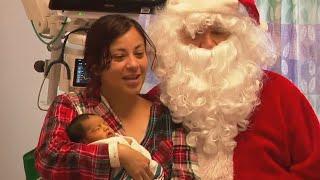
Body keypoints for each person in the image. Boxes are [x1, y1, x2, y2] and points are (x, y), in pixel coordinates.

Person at [148, 0, 320, 179]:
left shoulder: (281, 94)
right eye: (196, 33)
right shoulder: (159, 100)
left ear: (242, 38)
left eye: (218, 31)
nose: (208, 44)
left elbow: (314, 167)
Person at [35, 14, 198, 180]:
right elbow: (49, 159)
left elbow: (186, 174)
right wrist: (117, 153)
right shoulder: (72, 105)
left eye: (139, 53)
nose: (134, 65)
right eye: (120, 57)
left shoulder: (169, 116)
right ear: (95, 66)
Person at [66, 113, 164, 179]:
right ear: (84, 141)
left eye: (105, 124)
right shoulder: (94, 147)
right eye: (97, 129)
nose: (105, 128)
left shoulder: (117, 136)